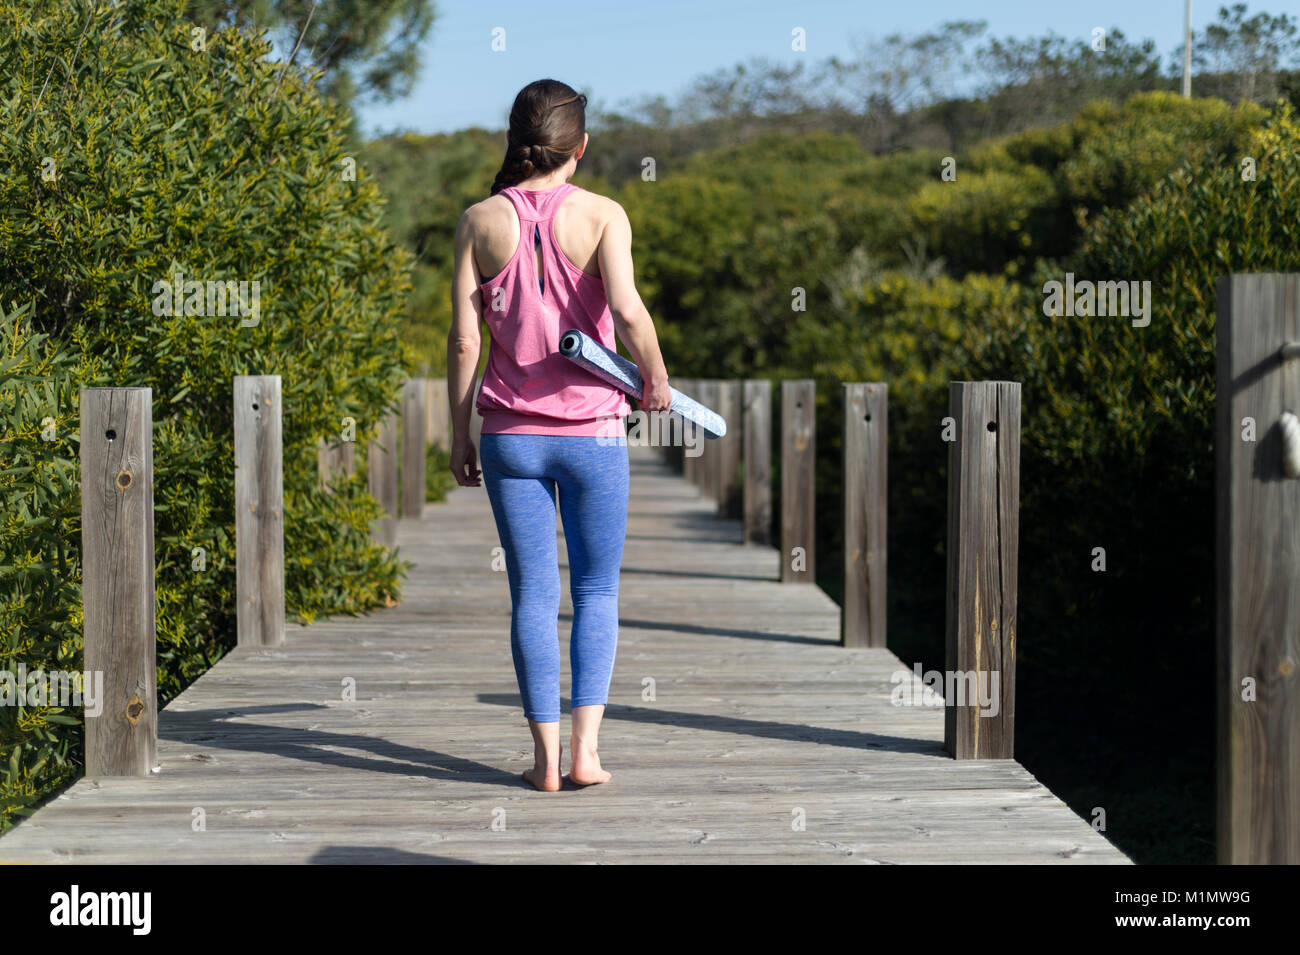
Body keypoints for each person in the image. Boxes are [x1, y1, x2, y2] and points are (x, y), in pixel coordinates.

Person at [447, 79, 672, 792]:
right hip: (594, 436)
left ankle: (542, 760)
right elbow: (630, 313)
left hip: (509, 436)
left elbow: (461, 342)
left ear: (517, 140)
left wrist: (461, 433)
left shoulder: (478, 220)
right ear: (581, 145)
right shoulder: (605, 214)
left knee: (532, 595)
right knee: (597, 589)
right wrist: (656, 379)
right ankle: (585, 754)